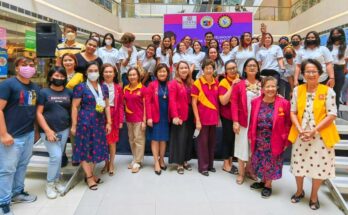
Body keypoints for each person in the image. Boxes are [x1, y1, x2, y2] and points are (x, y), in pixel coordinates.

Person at [288, 59, 340, 210]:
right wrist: (299, 129)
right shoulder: (298, 90)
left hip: (320, 135)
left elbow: (332, 114)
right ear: (303, 74)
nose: (311, 74)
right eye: (307, 72)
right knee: (299, 164)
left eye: (314, 71)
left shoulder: (328, 91)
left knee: (319, 167)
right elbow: (293, 111)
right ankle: (299, 191)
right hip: (301, 134)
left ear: (320, 73)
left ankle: (314, 196)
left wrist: (314, 131)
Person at [0, 57, 40, 215]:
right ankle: (3, 201)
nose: (28, 68)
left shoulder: (34, 87)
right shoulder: (8, 85)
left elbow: (31, 110)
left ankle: (17, 192)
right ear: (16, 68)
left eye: (31, 65)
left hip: (28, 134)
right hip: (11, 136)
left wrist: (35, 131)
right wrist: (3, 134)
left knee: (22, 166)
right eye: (24, 65)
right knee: (7, 170)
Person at [248, 76, 291, 198]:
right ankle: (262, 181)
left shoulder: (284, 103)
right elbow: (252, 120)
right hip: (259, 138)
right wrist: (251, 135)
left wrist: (286, 141)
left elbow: (288, 123)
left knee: (271, 162)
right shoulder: (256, 102)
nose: (270, 89)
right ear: (262, 88)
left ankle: (268, 185)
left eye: (273, 86)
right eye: (268, 86)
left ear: (277, 88)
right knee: (260, 160)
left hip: (275, 139)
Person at [71, 61, 111, 190]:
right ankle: (88, 177)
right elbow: (75, 107)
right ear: (86, 73)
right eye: (90, 71)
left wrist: (109, 122)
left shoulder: (103, 87)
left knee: (95, 149)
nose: (93, 73)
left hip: (99, 122)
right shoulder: (80, 87)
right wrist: (74, 125)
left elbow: (107, 106)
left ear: (99, 73)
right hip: (85, 122)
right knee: (85, 150)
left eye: (95, 70)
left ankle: (91, 174)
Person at [36, 67, 72, 199]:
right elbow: (38, 113)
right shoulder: (44, 92)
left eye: (62, 76)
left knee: (59, 156)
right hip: (48, 131)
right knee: (56, 157)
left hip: (64, 129)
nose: (60, 78)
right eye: (57, 76)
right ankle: (50, 184)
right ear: (51, 77)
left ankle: (56, 181)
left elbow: (71, 110)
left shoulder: (69, 92)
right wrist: (47, 130)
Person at [231, 58, 262, 184]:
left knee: (253, 146)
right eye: (249, 66)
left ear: (258, 68)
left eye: (254, 65)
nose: (252, 68)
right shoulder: (239, 84)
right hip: (243, 120)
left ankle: (249, 170)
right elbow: (233, 103)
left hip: (258, 120)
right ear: (244, 69)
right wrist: (235, 121)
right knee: (241, 145)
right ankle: (241, 173)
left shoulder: (262, 83)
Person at [192, 59, 219, 176]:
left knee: (212, 143)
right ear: (203, 70)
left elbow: (217, 102)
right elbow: (194, 103)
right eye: (206, 68)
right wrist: (197, 120)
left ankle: (210, 165)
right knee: (202, 144)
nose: (209, 70)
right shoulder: (197, 83)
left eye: (211, 68)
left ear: (214, 70)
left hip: (213, 119)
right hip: (202, 119)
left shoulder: (216, 83)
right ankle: (203, 167)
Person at [168, 61, 194, 174]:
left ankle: (185, 161)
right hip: (179, 115)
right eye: (181, 68)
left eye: (186, 68)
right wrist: (174, 116)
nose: (184, 70)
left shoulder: (191, 82)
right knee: (180, 139)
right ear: (177, 71)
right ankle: (179, 163)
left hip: (190, 114)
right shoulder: (173, 83)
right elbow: (172, 100)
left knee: (188, 139)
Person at [146, 64, 170, 175]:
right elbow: (148, 102)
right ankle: (156, 161)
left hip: (166, 116)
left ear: (167, 73)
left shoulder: (170, 85)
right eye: (160, 71)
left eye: (164, 71)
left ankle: (162, 159)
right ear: (156, 73)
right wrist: (149, 117)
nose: (162, 73)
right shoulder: (151, 85)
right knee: (155, 139)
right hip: (155, 116)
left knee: (163, 139)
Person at [100, 64, 123, 176]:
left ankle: (112, 163)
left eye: (110, 72)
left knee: (112, 141)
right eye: (106, 72)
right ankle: (106, 162)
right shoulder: (98, 86)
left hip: (114, 115)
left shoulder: (118, 87)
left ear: (114, 74)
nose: (108, 74)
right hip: (101, 115)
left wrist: (120, 121)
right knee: (103, 141)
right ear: (102, 73)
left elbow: (120, 105)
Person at [123, 67, 147, 173]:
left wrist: (144, 120)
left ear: (138, 76)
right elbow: (124, 103)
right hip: (129, 118)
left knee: (139, 140)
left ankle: (138, 161)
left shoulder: (143, 89)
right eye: (130, 75)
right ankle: (134, 158)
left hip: (139, 119)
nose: (132, 77)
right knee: (131, 139)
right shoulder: (125, 88)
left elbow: (146, 106)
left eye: (134, 75)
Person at [218, 60, 240, 175]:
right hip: (227, 115)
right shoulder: (223, 83)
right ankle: (226, 164)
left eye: (234, 68)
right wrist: (232, 86)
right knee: (227, 139)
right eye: (230, 68)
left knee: (233, 140)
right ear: (226, 71)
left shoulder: (240, 79)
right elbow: (223, 101)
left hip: (238, 115)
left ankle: (230, 162)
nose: (232, 70)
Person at [326, 27, 348, 109]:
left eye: (338, 33)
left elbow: (346, 59)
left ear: (342, 34)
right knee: (327, 90)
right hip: (328, 69)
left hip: (339, 69)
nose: (336, 35)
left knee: (337, 91)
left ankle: (335, 110)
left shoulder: (345, 47)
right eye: (334, 34)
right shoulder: (328, 46)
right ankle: (326, 109)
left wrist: (345, 69)